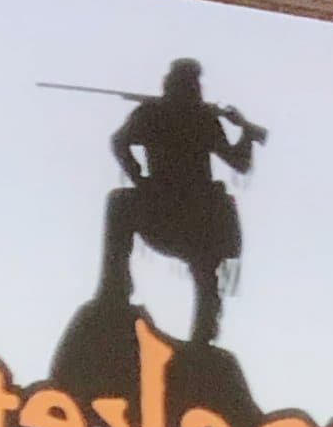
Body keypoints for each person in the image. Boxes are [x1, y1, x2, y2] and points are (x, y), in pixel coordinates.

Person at [103, 60, 263, 347]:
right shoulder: (198, 117)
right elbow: (239, 161)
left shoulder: (159, 113)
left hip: (179, 210)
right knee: (204, 270)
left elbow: (119, 142)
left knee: (120, 204)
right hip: (185, 208)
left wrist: (141, 179)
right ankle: (118, 290)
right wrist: (246, 133)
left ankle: (118, 290)